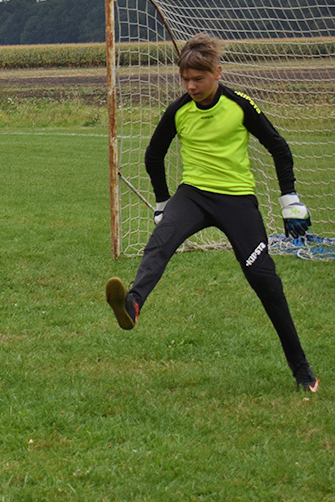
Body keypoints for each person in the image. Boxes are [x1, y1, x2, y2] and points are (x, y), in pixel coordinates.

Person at [105, 34, 318, 392]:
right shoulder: (178, 110)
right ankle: (133, 303)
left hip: (238, 201)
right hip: (193, 196)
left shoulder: (239, 104)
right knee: (161, 242)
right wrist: (162, 204)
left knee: (265, 281)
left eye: (197, 79)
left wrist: (290, 200)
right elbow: (153, 156)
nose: (190, 86)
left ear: (217, 73)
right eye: (185, 80)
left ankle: (301, 368)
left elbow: (279, 148)